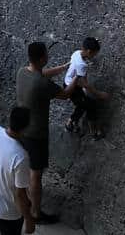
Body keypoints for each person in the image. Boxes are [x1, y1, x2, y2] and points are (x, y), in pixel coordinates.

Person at [15, 41, 77, 225]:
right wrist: (77, 78)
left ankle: (25, 199)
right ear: (43, 58)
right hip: (36, 134)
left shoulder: (22, 72)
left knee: (25, 168)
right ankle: (35, 213)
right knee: (36, 174)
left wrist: (63, 68)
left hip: (21, 129)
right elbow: (65, 94)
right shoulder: (42, 84)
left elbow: (40, 75)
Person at [0, 106, 35, 235]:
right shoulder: (21, 156)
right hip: (10, 213)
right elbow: (20, 194)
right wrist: (29, 220)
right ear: (26, 128)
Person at [63, 36, 109, 138]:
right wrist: (100, 94)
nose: (95, 55)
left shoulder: (76, 53)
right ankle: (94, 132)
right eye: (95, 53)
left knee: (81, 105)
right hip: (72, 88)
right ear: (89, 51)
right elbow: (85, 84)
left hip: (69, 83)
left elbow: (82, 78)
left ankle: (70, 123)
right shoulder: (82, 65)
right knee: (91, 106)